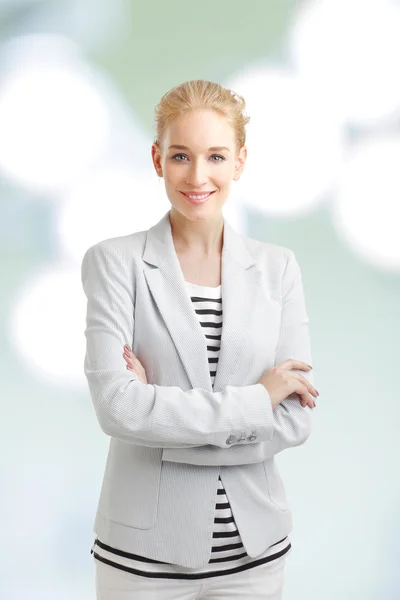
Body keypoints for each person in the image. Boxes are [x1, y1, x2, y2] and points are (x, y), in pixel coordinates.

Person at [81, 79, 318, 600]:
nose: (198, 176)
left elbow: (297, 418)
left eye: (215, 156)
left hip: (254, 557)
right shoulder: (114, 263)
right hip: (142, 562)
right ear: (157, 158)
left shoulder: (278, 269)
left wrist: (162, 419)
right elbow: (118, 409)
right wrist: (259, 400)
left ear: (239, 161)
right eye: (181, 155)